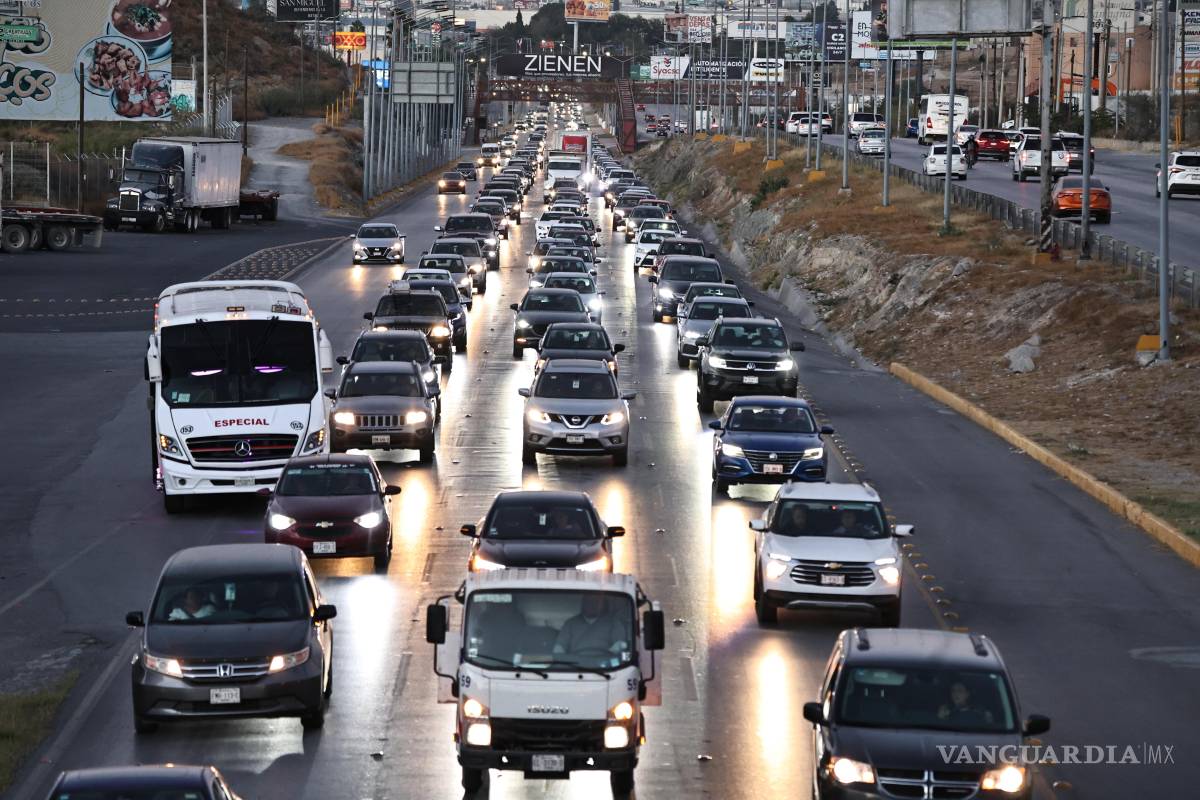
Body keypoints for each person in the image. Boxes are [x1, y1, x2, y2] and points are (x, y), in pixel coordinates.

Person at [553, 595, 629, 658]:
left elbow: (620, 644)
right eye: (588, 601)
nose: (592, 604)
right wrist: (561, 659)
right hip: (575, 665)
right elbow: (560, 646)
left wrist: (607, 656)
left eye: (596, 602)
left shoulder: (613, 622)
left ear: (602, 604)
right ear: (583, 603)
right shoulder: (570, 623)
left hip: (605, 666)